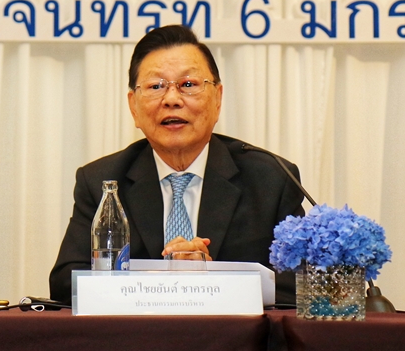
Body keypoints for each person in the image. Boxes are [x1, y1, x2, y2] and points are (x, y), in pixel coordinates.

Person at [48, 25, 305, 305]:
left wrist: (211, 280)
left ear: (217, 99)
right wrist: (165, 283)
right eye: (156, 86)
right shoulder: (103, 181)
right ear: (133, 107)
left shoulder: (271, 179)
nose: (171, 99)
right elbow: (65, 283)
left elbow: (301, 285)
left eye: (188, 85)